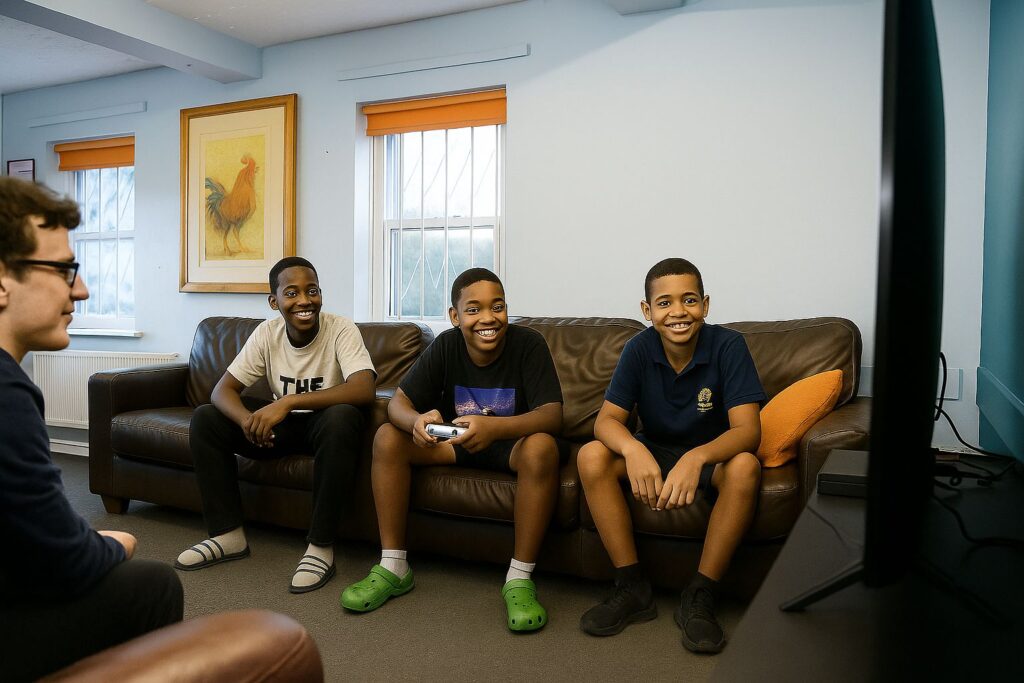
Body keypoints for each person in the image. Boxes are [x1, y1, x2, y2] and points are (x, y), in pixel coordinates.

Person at [0, 177, 183, 682]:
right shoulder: (5, 395)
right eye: (63, 270)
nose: (80, 288)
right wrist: (115, 541)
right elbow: (67, 561)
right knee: (151, 584)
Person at [341, 268, 564, 631]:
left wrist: (494, 428)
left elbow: (553, 416)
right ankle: (394, 566)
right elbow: (398, 403)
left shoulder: (529, 344)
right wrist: (415, 420)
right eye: (474, 310)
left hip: (512, 445)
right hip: (456, 444)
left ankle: (519, 579)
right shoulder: (445, 345)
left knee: (542, 448)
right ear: (455, 316)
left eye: (498, 307)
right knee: (386, 437)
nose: (488, 318)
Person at [577, 258, 765, 654]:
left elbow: (747, 432)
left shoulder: (729, 346)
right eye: (664, 303)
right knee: (592, 455)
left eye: (689, 300)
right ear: (647, 311)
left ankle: (701, 595)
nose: (678, 312)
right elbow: (606, 422)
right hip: (655, 447)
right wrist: (632, 447)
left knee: (746, 466)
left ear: (706, 305)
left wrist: (696, 458)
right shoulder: (638, 349)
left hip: (712, 454)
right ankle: (632, 588)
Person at [175, 256, 376, 593]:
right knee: (206, 417)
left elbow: (363, 388)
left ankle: (321, 547)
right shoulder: (266, 333)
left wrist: (287, 401)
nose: (304, 301)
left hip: (324, 427)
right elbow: (221, 390)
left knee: (343, 416)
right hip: (278, 429)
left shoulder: (341, 328)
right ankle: (227, 535)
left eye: (312, 291)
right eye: (292, 293)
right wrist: (248, 422)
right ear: (275, 301)